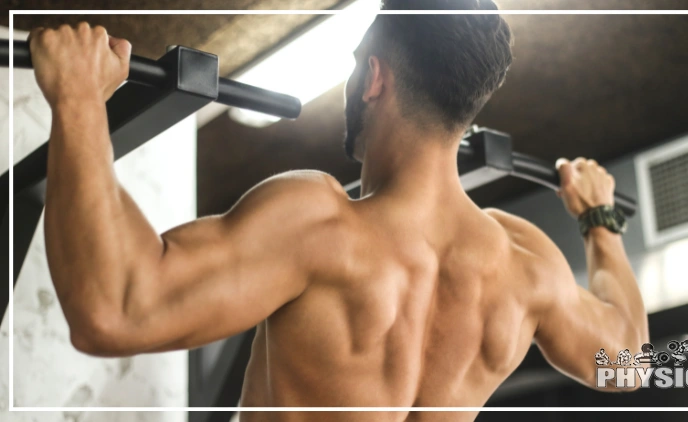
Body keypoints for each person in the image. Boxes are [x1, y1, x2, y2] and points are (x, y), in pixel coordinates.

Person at [28, 0, 649, 420]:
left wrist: (79, 99)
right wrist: (599, 220)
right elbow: (629, 365)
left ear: (374, 77)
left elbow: (114, 309)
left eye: (355, 66)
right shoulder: (525, 265)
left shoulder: (322, 225)